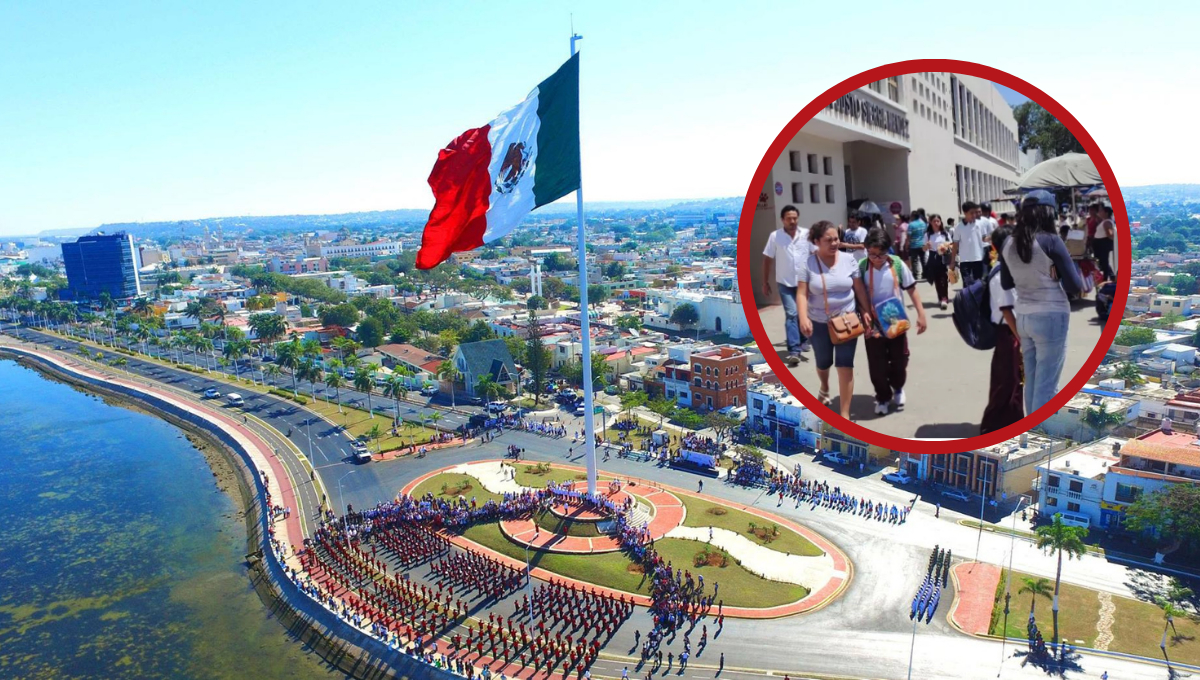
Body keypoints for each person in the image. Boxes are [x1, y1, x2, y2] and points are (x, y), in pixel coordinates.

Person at [1000, 190, 1084, 415]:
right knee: (1046, 385)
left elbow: (1007, 282)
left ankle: (1030, 424)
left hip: (1024, 317)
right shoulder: (1051, 241)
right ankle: (1041, 430)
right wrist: (1057, 273)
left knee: (1033, 379)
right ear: (1049, 213)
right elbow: (1075, 287)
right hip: (1051, 316)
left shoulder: (1008, 242)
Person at [797, 221, 867, 420]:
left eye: (836, 238)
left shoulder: (849, 260)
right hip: (819, 322)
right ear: (817, 242)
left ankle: (844, 413)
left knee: (845, 365)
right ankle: (825, 385)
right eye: (829, 240)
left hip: (847, 320)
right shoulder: (808, 264)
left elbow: (859, 288)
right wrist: (803, 317)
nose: (835, 243)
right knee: (823, 362)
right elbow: (802, 293)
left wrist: (868, 311)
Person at [855, 228, 927, 416]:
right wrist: (864, 313)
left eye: (881, 254)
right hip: (872, 322)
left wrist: (921, 314)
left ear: (889, 250)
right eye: (872, 254)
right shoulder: (862, 267)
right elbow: (857, 295)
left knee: (900, 360)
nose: (877, 258)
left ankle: (898, 387)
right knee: (877, 364)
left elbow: (912, 289)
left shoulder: (897, 264)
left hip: (895, 319)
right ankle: (882, 397)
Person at [980, 225, 1023, 435]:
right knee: (1006, 381)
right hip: (1008, 332)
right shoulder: (999, 274)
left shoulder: (1010, 269)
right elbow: (1006, 310)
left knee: (1016, 381)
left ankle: (1013, 423)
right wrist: (1021, 337)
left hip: (1014, 331)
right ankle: (991, 426)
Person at [762, 204, 812, 365]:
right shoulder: (775, 236)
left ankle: (804, 339)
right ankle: (794, 350)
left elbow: (817, 254)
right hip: (785, 283)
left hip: (805, 282)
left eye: (795, 218)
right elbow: (768, 259)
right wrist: (765, 282)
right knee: (792, 313)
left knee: (802, 313)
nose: (792, 221)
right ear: (783, 220)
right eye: (789, 218)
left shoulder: (807, 235)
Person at [952, 201, 988, 287]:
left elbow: (984, 238)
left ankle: (978, 300)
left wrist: (993, 238)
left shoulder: (980, 224)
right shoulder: (958, 227)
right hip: (965, 261)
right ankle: (968, 300)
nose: (974, 215)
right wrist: (952, 261)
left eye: (975, 213)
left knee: (978, 284)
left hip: (978, 259)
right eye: (971, 213)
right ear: (965, 213)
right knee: (967, 284)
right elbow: (955, 244)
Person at [923, 214, 952, 309]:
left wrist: (946, 247)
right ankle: (940, 297)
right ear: (930, 223)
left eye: (938, 221)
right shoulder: (927, 235)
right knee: (936, 279)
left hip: (943, 257)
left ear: (940, 222)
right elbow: (923, 248)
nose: (936, 223)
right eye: (934, 221)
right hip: (933, 257)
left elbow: (951, 245)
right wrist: (926, 246)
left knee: (943, 278)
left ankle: (944, 298)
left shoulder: (945, 233)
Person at [1092, 205, 1116, 282]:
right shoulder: (1104, 221)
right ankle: (1110, 276)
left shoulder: (1107, 222)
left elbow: (1110, 233)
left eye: (1102, 211)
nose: (1100, 213)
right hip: (1100, 243)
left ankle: (1108, 277)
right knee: (1103, 261)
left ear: (1106, 213)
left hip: (1102, 243)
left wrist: (1110, 238)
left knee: (1104, 261)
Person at [906, 209, 928, 280]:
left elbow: (909, 236)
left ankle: (915, 275)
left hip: (914, 245)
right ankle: (925, 274)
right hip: (922, 244)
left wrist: (907, 244)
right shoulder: (923, 224)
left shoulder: (911, 225)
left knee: (914, 261)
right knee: (923, 260)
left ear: (913, 216)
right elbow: (925, 234)